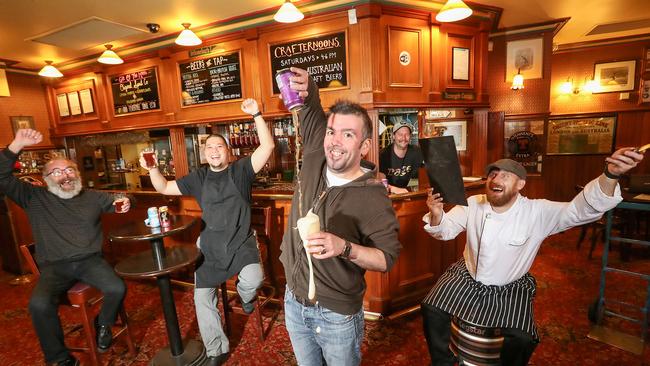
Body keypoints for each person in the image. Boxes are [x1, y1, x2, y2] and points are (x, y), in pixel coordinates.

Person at [420, 151, 644, 366]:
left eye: (506, 175)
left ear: (521, 184)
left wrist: (611, 174)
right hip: (467, 274)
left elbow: (580, 210)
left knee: (522, 338)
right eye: (493, 174)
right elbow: (445, 231)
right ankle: (443, 362)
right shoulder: (473, 202)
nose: (496, 179)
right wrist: (438, 214)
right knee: (431, 308)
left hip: (510, 284)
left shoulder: (537, 212)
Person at [279, 67, 401, 366]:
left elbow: (386, 259)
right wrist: (310, 86)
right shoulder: (314, 153)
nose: (335, 141)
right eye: (332, 132)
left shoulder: (373, 196)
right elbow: (310, 107)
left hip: (335, 315)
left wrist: (344, 248)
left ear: (365, 146)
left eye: (348, 135)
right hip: (293, 300)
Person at [140, 98, 274, 366]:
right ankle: (216, 349)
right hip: (210, 245)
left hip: (241, 241)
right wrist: (153, 168)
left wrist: (257, 113)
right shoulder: (198, 178)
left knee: (253, 279)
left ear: (228, 152)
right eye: (209, 147)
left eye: (219, 146)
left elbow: (268, 145)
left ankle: (245, 296)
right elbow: (164, 188)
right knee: (202, 298)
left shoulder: (241, 171)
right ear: (204, 154)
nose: (214, 150)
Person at [0, 129, 130, 366]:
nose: (65, 175)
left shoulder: (91, 196)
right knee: (38, 305)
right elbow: (2, 176)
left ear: (77, 174)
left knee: (117, 287)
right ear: (46, 177)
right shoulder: (32, 196)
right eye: (57, 172)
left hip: (90, 261)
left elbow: (117, 201)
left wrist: (125, 201)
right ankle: (59, 359)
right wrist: (16, 145)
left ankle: (103, 323)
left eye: (70, 170)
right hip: (54, 267)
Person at [379, 120, 423, 194]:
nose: (404, 138)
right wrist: (394, 189)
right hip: (387, 194)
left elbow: (423, 174)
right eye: (400, 134)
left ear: (410, 136)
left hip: (406, 193)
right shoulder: (384, 154)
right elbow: (381, 181)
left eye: (407, 134)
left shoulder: (416, 152)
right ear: (393, 136)